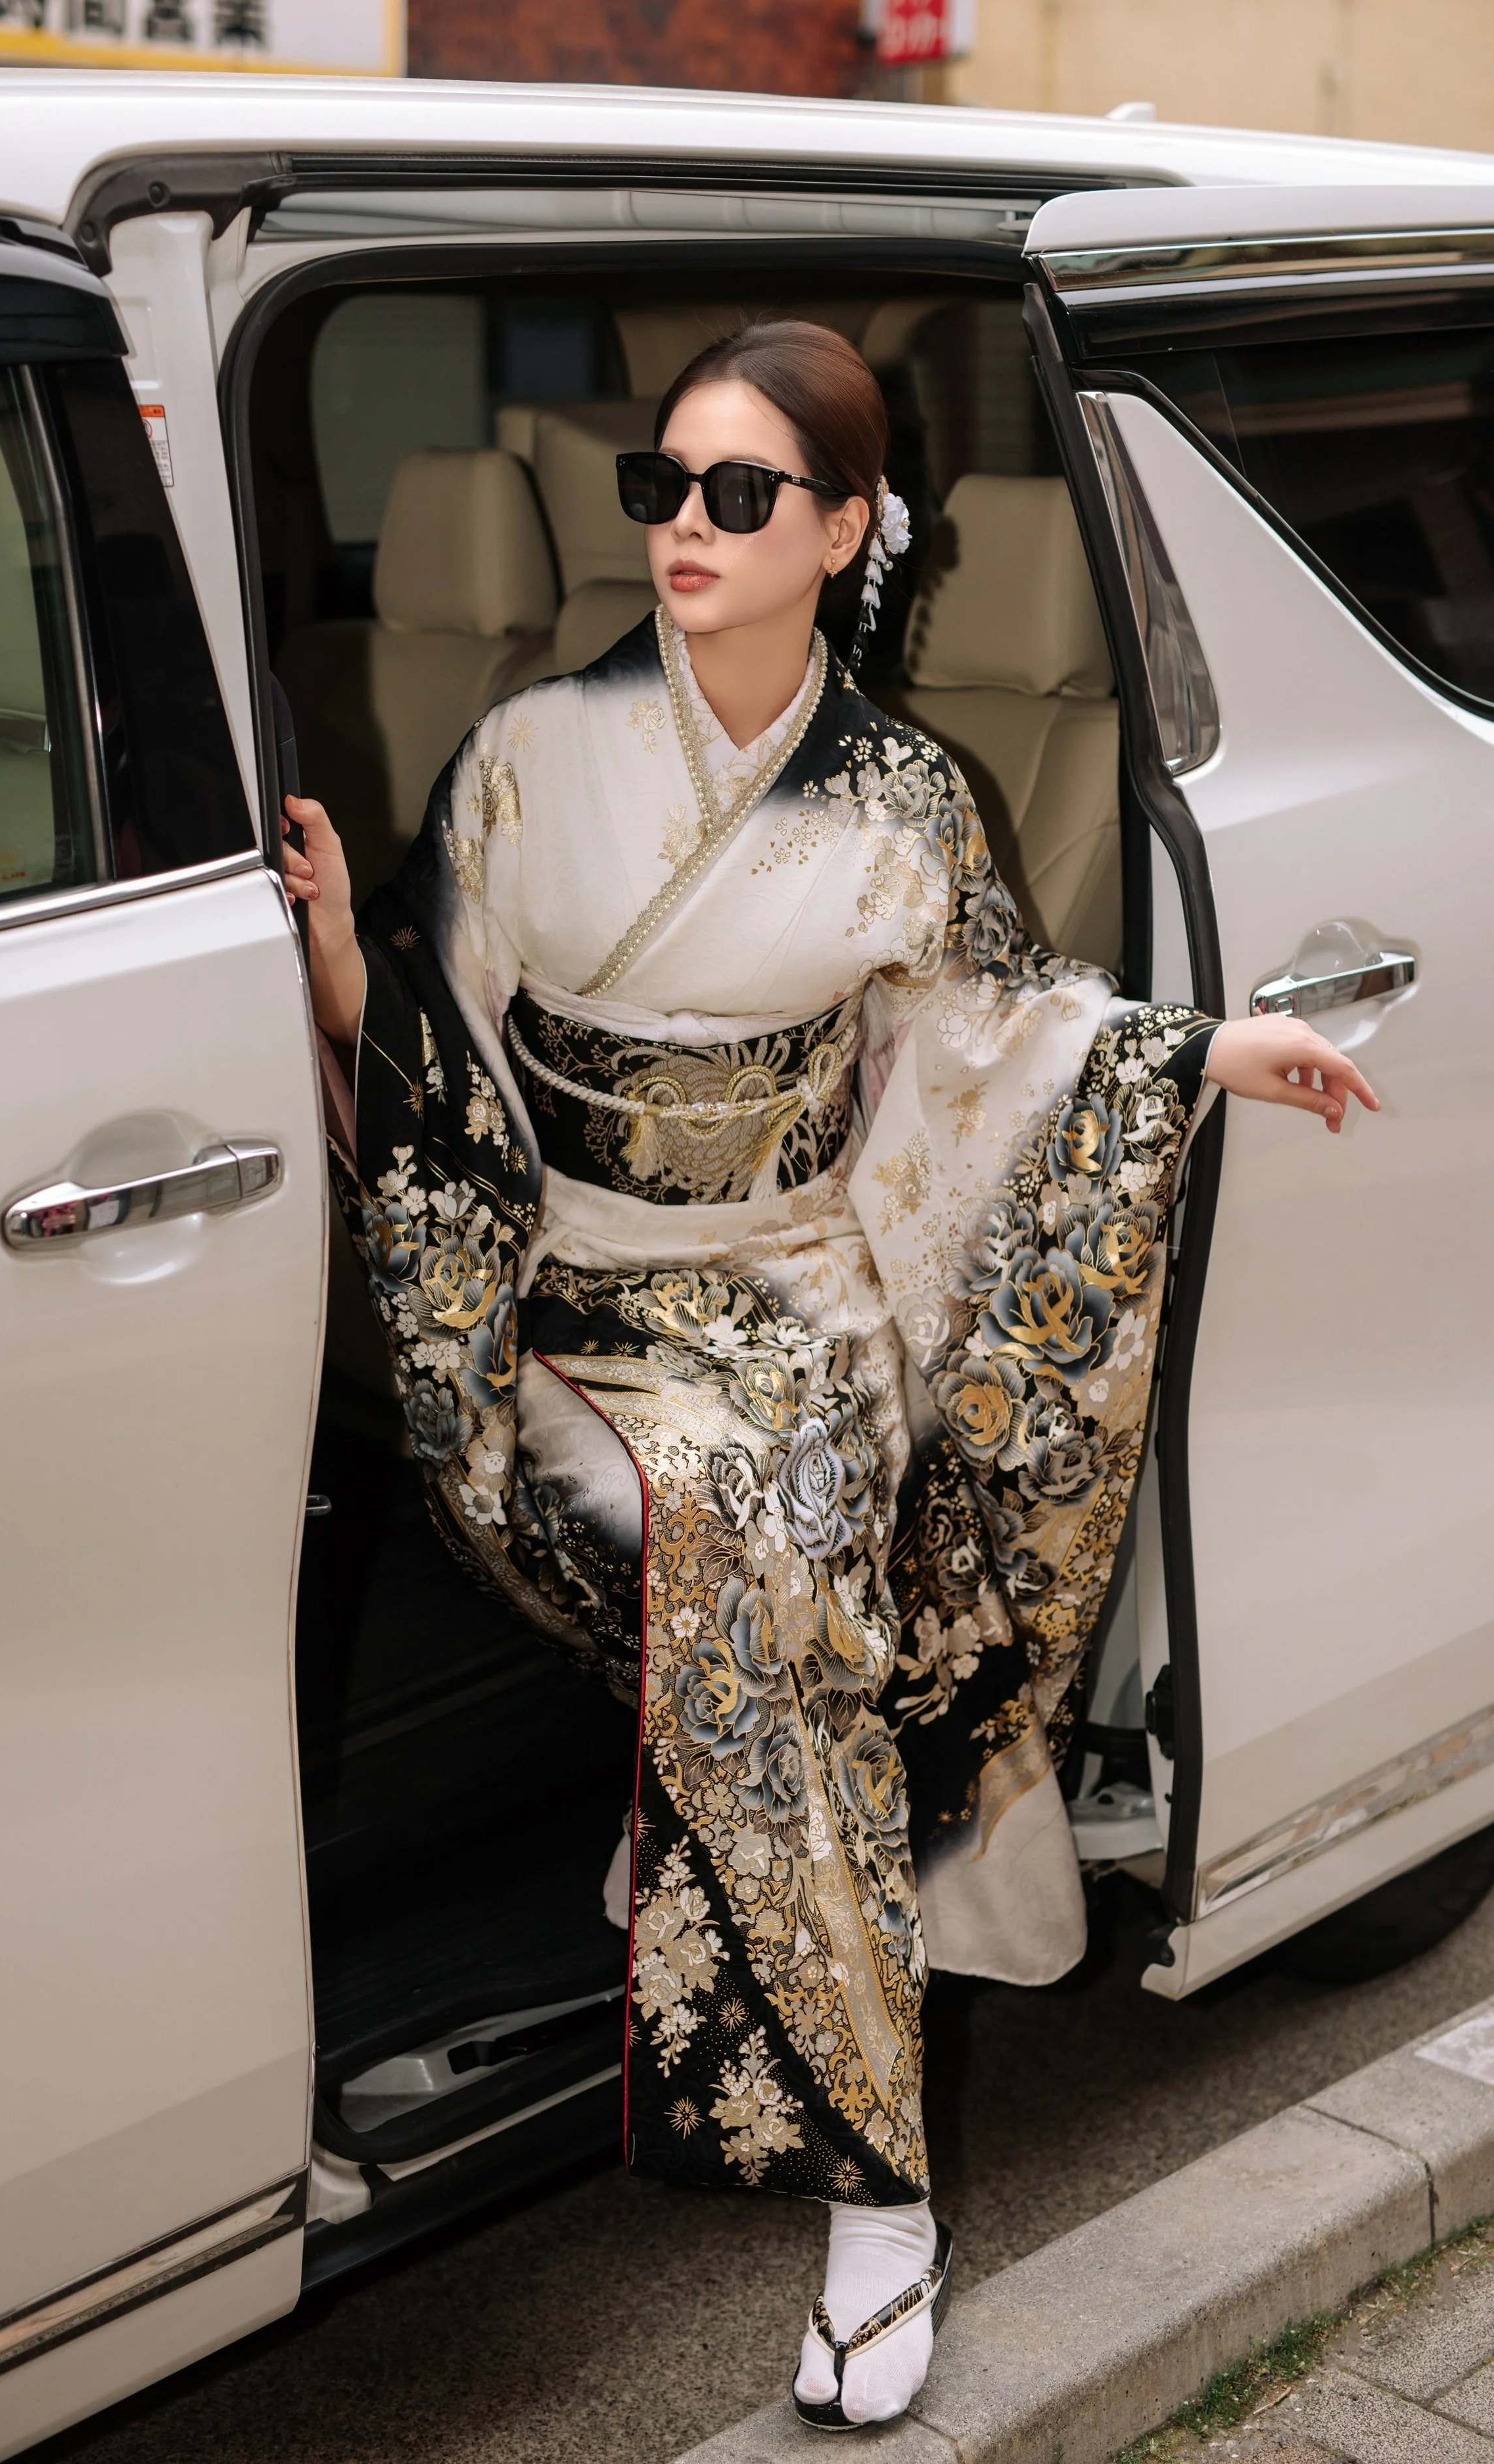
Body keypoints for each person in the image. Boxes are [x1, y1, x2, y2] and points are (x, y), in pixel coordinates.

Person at [283, 321, 1377, 2430]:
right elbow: (439, 1020)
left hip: (790, 1283)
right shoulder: (530, 748)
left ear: (849, 529)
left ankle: (878, 2189)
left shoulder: (902, 798)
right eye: (658, 489)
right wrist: (345, 957)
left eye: (737, 495)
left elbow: (1005, 1032)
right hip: (564, 1271)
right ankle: (746, 1844)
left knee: (756, 1554)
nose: (682, 529)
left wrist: (1199, 1051)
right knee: (715, 1566)